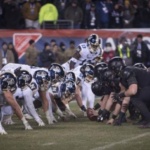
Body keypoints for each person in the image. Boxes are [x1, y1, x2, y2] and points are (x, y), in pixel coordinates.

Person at [108, 57, 150, 128]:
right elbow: (125, 98)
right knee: (139, 97)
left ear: (116, 68)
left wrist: (120, 95)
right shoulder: (124, 73)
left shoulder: (126, 72)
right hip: (147, 88)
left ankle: (148, 119)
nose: (112, 72)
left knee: (136, 98)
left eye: (112, 70)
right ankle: (145, 119)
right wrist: (116, 118)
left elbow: (133, 91)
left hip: (147, 87)